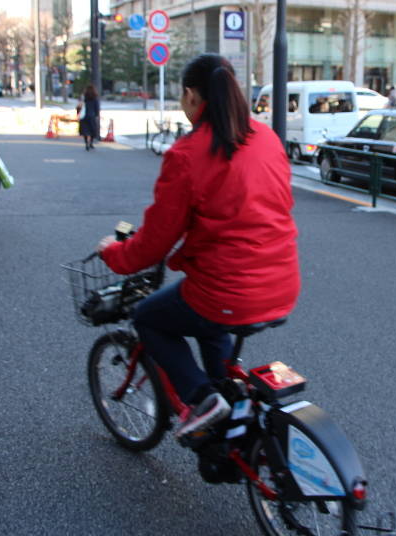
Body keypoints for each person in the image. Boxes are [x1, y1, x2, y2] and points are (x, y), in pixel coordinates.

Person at [96, 54, 300, 437]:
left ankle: (203, 399)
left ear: (191, 95)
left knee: (147, 317)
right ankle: (232, 419)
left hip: (228, 291)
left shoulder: (188, 154)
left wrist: (113, 253)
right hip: (283, 283)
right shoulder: (267, 138)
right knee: (209, 321)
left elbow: (153, 245)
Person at [78, 84, 100, 151]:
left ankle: (86, 143)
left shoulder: (83, 98)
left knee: (85, 131)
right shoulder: (95, 98)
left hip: (84, 116)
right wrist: (97, 115)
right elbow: (97, 108)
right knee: (93, 130)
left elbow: (79, 107)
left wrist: (78, 113)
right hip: (92, 116)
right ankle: (91, 142)